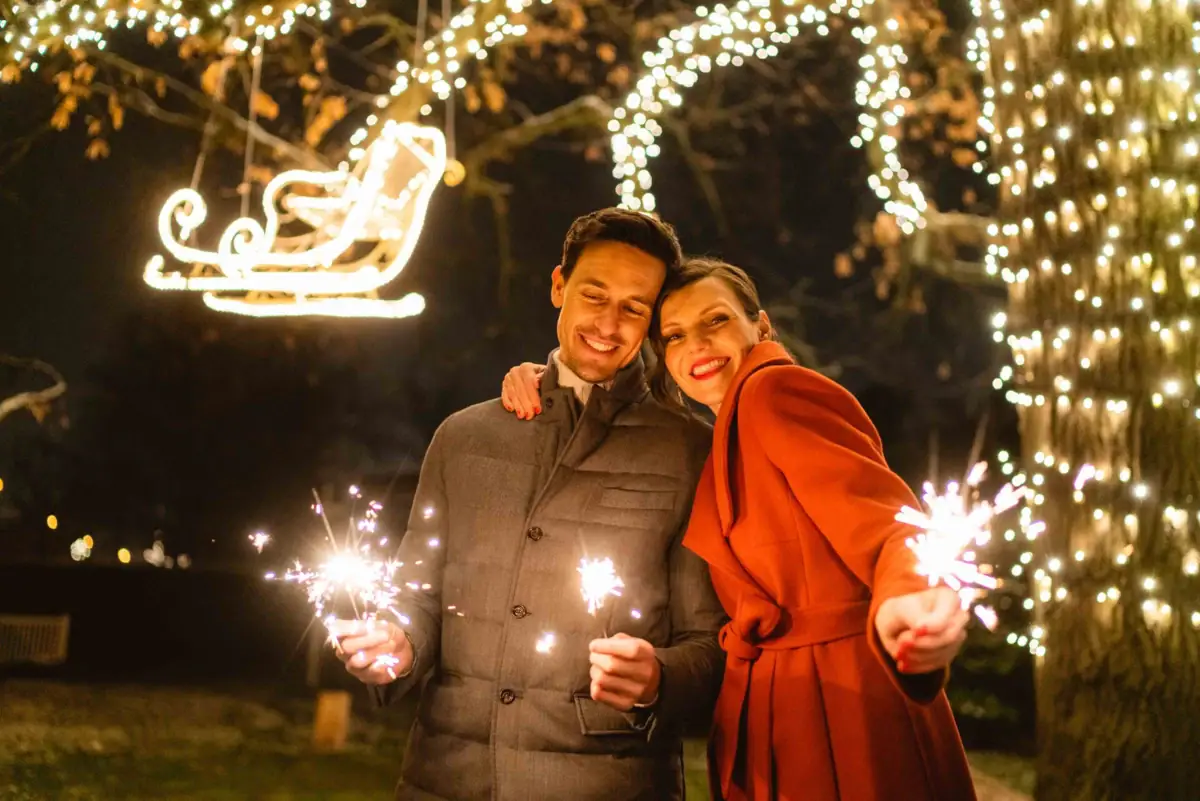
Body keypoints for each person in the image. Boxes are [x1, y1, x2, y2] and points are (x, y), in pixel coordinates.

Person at [501, 257, 977, 800]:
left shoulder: (775, 393)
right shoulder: (724, 430)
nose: (696, 346)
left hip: (840, 705)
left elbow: (890, 523)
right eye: (674, 335)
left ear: (762, 327)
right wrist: (550, 378)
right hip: (786, 706)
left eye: (716, 321)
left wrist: (907, 598)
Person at [332, 210, 727, 801]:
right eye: (594, 295)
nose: (608, 323)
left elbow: (709, 642)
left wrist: (657, 679)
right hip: (447, 779)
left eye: (633, 308)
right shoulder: (464, 439)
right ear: (558, 287)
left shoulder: (689, 453)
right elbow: (417, 598)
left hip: (608, 783)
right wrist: (395, 643)